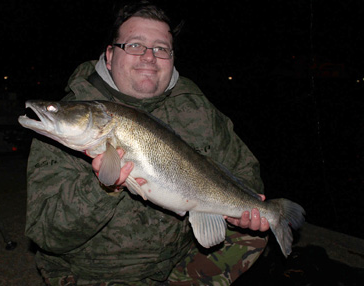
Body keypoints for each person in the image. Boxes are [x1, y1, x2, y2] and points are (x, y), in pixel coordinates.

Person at [25, 1, 269, 285]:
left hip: (178, 260)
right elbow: (46, 234)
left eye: (161, 49)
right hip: (96, 272)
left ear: (172, 57)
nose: (149, 57)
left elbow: (245, 171)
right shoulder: (64, 131)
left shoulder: (196, 108)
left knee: (254, 236)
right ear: (108, 56)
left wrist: (245, 211)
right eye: (135, 45)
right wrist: (101, 189)